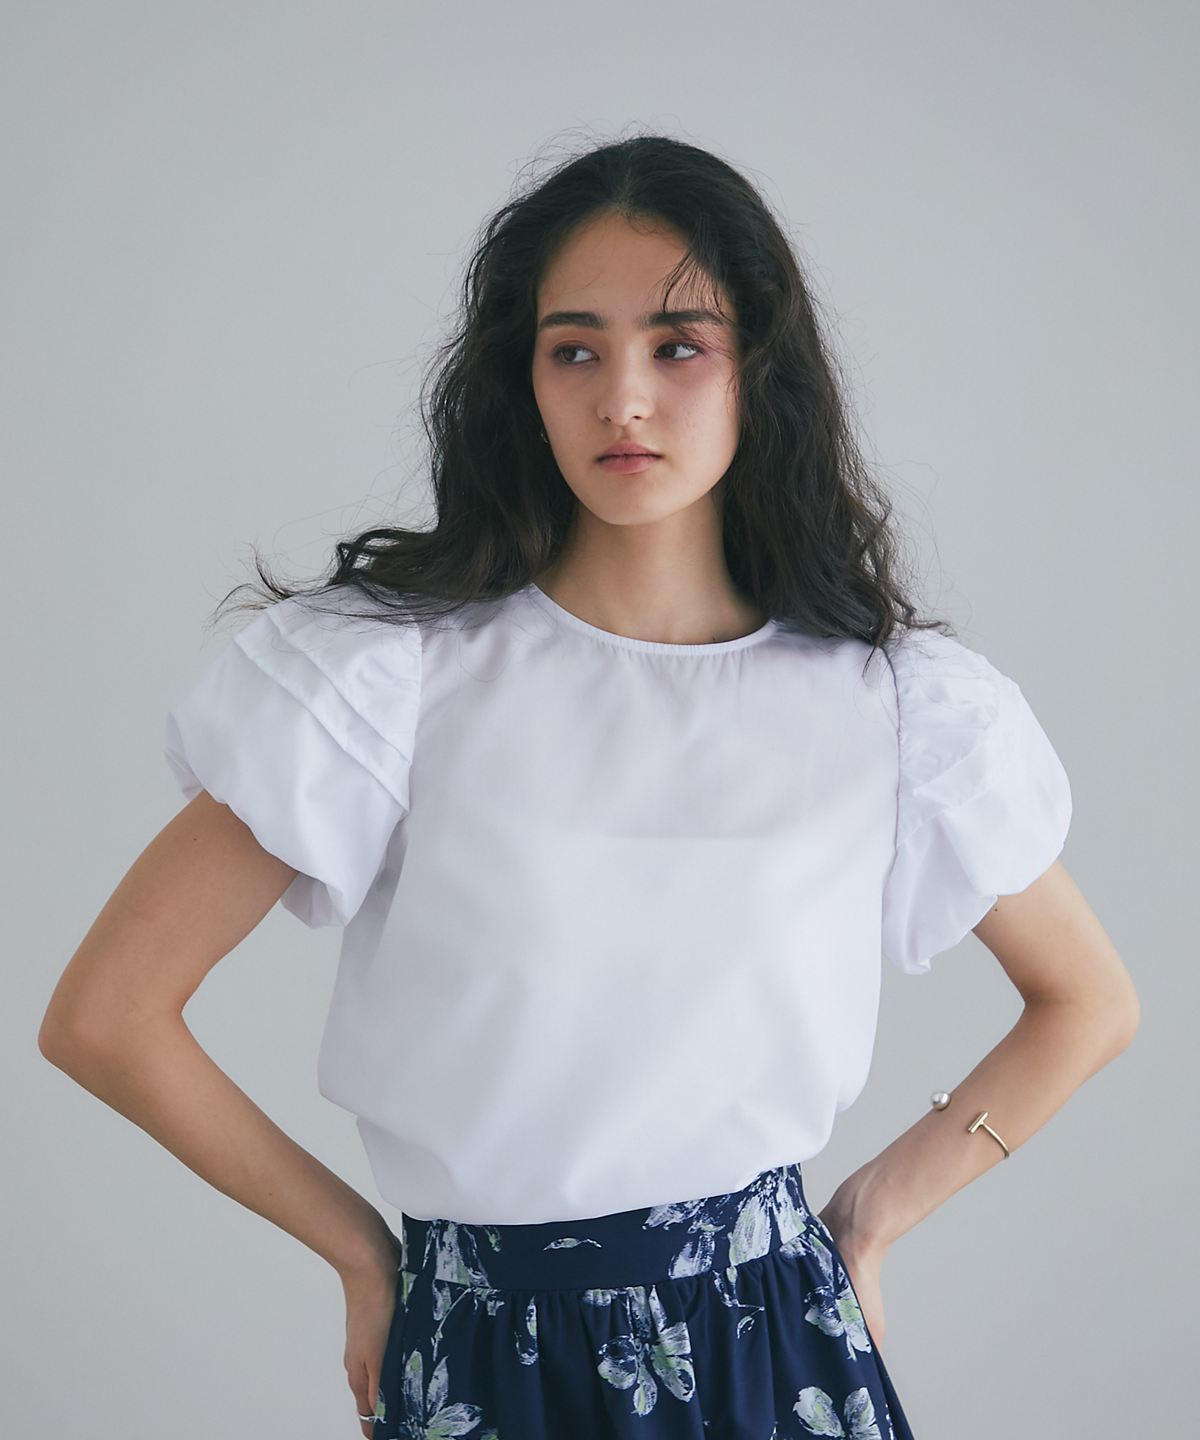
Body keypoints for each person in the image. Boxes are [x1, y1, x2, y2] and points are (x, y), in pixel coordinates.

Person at [38, 134, 1140, 1440]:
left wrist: (876, 1214)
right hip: (479, 1358)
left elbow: (1089, 1001)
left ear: (761, 368)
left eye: (678, 345)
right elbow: (106, 1016)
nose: (623, 398)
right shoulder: (385, 676)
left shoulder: (895, 705)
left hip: (772, 1348)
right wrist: (360, 1253)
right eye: (575, 350)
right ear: (524, 379)